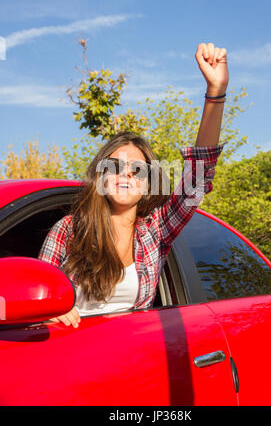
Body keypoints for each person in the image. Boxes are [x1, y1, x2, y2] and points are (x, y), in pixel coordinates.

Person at [38, 42, 229, 328]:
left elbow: (197, 180)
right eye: (115, 166)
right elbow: (35, 299)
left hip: (131, 359)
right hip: (70, 359)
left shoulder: (154, 232)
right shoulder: (68, 230)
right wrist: (45, 312)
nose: (126, 175)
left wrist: (215, 92)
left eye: (137, 170)